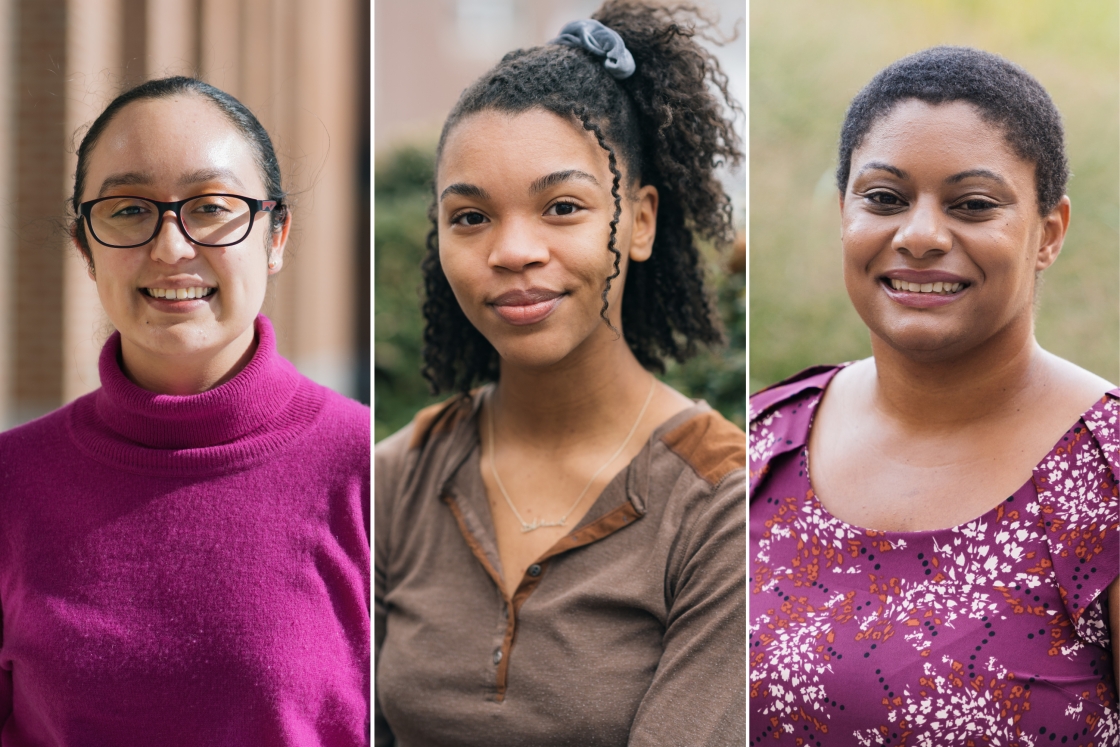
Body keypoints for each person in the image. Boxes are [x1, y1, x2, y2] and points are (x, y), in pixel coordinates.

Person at [374, 1, 746, 744]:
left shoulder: (721, 506)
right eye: (470, 217)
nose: (513, 250)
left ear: (640, 221)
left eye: (562, 206)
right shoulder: (398, 477)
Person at [749, 47, 1119, 742]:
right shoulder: (762, 444)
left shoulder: (1106, 473)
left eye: (973, 205)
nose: (918, 236)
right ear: (843, 212)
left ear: (1050, 232)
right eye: (884, 199)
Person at [0, 77, 369, 744]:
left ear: (276, 236)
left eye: (212, 206)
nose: (171, 247)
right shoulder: (11, 480)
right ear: (85, 247)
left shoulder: (374, 471)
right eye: (127, 211)